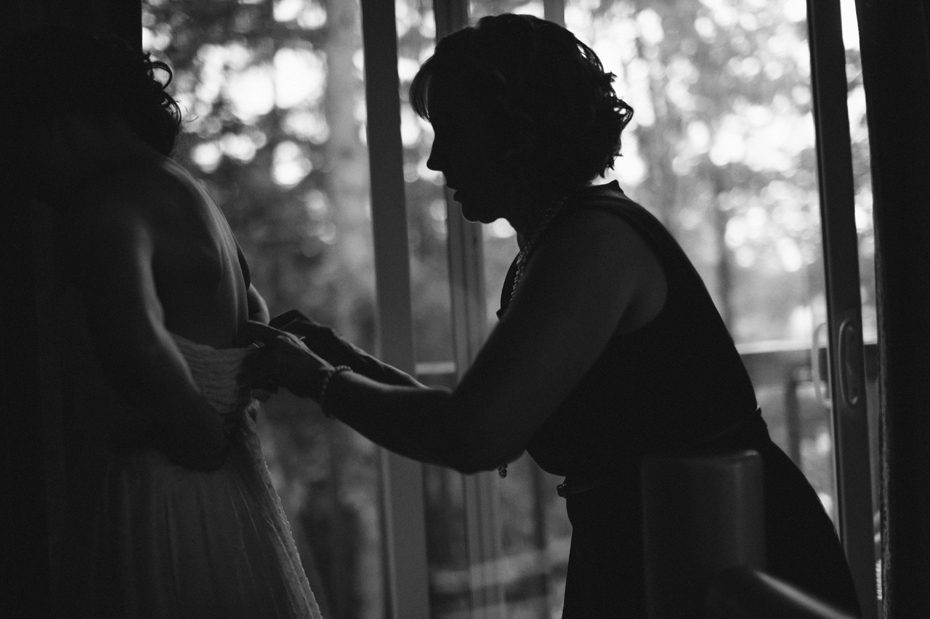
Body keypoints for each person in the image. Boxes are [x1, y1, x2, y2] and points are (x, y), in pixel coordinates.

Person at [250, 13, 862, 618]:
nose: (436, 161)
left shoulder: (595, 243)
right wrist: (340, 357)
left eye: (453, 131)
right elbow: (486, 416)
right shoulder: (558, 240)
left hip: (721, 554)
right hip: (656, 544)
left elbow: (473, 433)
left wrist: (315, 380)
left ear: (516, 131)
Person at [1, 28, 321, 618]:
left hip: (160, 483)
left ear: (53, 125)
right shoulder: (189, 194)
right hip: (232, 489)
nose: (21, 179)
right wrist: (231, 387)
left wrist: (193, 423)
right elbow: (254, 313)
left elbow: (137, 338)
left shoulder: (105, 206)